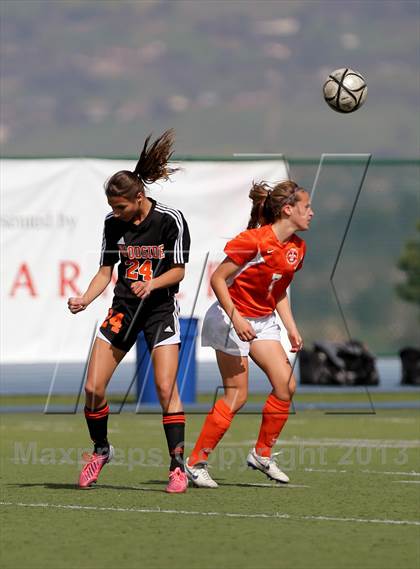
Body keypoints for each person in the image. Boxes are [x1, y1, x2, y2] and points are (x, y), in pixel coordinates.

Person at [68, 129, 190, 493]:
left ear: (139, 197)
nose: (115, 212)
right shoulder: (113, 224)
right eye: (112, 207)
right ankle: (101, 450)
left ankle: (177, 465)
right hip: (123, 309)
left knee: (165, 386)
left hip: (158, 311)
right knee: (92, 388)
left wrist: (152, 284)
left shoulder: (170, 220)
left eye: (120, 206)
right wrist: (85, 299)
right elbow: (106, 271)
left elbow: (180, 270)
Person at [185, 180, 313, 487]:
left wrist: (291, 327)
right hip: (230, 318)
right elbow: (217, 279)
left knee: (286, 385)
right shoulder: (253, 241)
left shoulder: (297, 247)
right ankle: (195, 462)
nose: (311, 212)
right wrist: (237, 317)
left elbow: (278, 289)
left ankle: (261, 454)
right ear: (287, 209)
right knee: (237, 394)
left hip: (263, 320)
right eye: (306, 207)